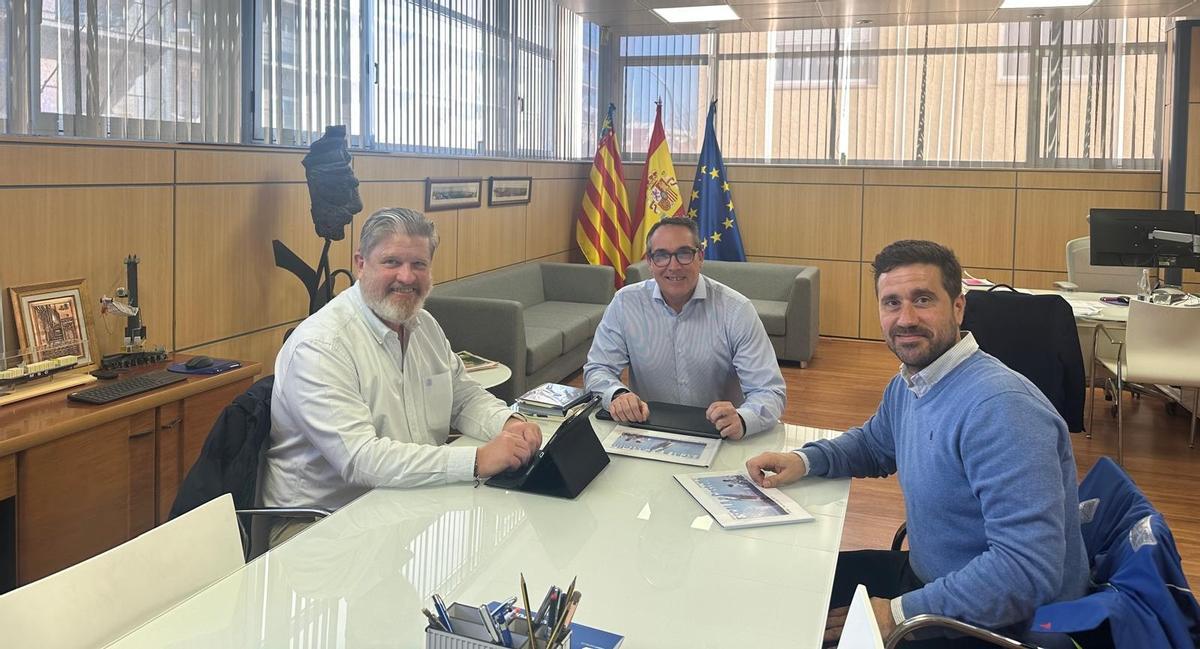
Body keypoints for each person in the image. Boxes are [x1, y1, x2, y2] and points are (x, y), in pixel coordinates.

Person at [746, 240, 1089, 647]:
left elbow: (1026, 572)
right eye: (892, 303)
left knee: (785, 633)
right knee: (782, 589)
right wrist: (804, 460)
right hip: (935, 577)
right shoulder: (914, 381)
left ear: (958, 307)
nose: (905, 318)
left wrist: (898, 614)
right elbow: (874, 445)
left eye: (923, 300)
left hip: (998, 624)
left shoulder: (1002, 409)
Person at [262, 207, 542, 545]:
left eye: (419, 264)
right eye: (392, 262)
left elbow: (464, 397)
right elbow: (361, 459)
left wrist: (507, 424)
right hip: (321, 526)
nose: (407, 277)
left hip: (402, 503)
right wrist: (477, 460)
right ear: (361, 263)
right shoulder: (321, 346)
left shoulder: (424, 326)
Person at [583, 216, 785, 440]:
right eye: (661, 255)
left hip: (720, 435)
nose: (673, 266)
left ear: (700, 257)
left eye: (684, 253)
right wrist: (617, 394)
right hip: (647, 431)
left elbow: (769, 390)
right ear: (650, 262)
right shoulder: (625, 303)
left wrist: (743, 419)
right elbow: (598, 368)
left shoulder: (736, 310)